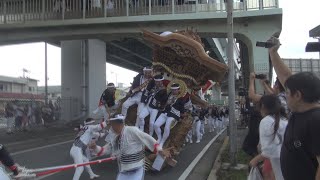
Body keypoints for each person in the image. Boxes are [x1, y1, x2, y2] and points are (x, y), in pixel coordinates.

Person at [267, 36, 320, 180]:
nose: (285, 96)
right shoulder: (301, 111)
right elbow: (286, 77)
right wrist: (273, 53)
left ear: (298, 95)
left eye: (288, 93)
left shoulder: (316, 121)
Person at [103, 114, 170, 180]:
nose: (111, 127)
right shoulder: (114, 136)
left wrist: (160, 150)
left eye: (112, 124)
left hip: (136, 169)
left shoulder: (132, 130)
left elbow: (147, 138)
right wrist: (95, 148)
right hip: (124, 170)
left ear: (118, 124)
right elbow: (106, 149)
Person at [249, 95, 287, 180]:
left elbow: (270, 151)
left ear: (262, 106)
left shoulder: (266, 121)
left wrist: (255, 160)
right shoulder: (285, 120)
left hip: (277, 166)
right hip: (288, 165)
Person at [154, 83, 188, 147]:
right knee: (155, 125)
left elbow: (181, 108)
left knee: (167, 127)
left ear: (179, 90)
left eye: (175, 90)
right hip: (165, 112)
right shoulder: (169, 94)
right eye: (172, 90)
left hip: (174, 115)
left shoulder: (181, 98)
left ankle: (162, 142)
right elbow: (163, 100)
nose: (174, 91)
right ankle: (159, 137)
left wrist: (182, 116)